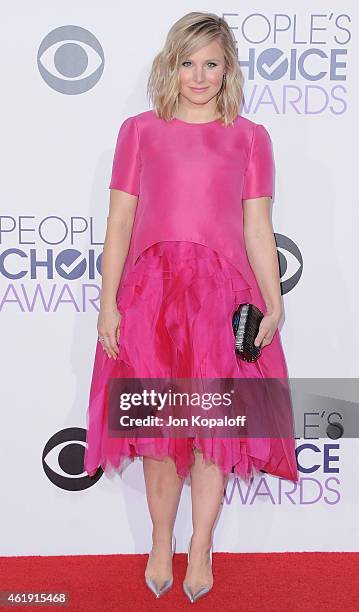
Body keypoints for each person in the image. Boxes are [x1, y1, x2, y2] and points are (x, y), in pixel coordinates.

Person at [84, 11, 299, 603]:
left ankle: (200, 545)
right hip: (151, 295)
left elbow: (259, 230)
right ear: (171, 64)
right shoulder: (140, 131)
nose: (199, 76)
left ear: (227, 68)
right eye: (188, 63)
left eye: (211, 63)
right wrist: (108, 305)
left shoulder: (250, 137)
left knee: (213, 432)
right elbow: (120, 223)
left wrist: (273, 304)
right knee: (156, 425)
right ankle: (161, 541)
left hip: (222, 299)